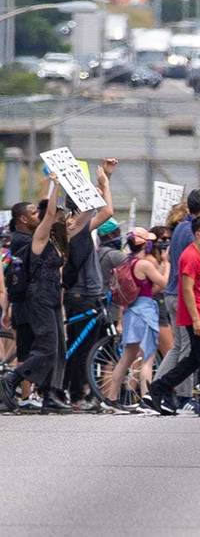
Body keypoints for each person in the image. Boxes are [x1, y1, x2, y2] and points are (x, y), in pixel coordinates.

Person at [0, 181, 79, 414]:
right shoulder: (36, 239)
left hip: (53, 297)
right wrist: (55, 185)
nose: (67, 219)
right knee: (45, 347)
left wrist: (102, 182)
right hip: (39, 297)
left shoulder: (51, 240)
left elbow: (87, 219)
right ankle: (12, 379)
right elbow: (51, 212)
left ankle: (50, 395)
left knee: (57, 348)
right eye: (34, 212)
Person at [143, 217, 200, 416]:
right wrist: (196, 319)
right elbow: (187, 290)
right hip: (196, 313)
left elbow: (198, 283)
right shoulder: (190, 256)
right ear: (198, 234)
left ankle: (159, 388)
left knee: (195, 359)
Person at [60, 159, 116, 410]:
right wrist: (101, 185)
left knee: (89, 347)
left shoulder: (81, 229)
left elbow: (107, 212)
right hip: (80, 295)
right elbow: (93, 209)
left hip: (91, 293)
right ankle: (76, 395)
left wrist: (106, 181)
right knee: (79, 348)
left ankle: (82, 393)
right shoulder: (68, 230)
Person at [155, 188, 200, 411]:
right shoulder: (192, 234)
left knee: (179, 348)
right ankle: (179, 394)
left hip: (174, 292)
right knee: (188, 350)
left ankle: (158, 388)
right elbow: (190, 271)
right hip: (183, 295)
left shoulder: (180, 227)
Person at [103, 228, 168, 412]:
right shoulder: (144, 265)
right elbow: (163, 283)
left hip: (131, 311)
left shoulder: (127, 262)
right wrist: (166, 262)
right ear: (146, 244)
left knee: (126, 358)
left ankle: (111, 398)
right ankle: (148, 400)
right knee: (148, 357)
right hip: (145, 311)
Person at [3, 201, 40, 410]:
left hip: (21, 303)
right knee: (27, 351)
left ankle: (28, 392)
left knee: (26, 348)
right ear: (23, 219)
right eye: (34, 213)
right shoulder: (23, 241)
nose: (38, 216)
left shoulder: (20, 239)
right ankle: (25, 395)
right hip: (24, 304)